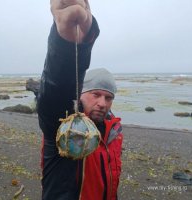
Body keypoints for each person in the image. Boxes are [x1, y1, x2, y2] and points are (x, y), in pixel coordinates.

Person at [37, 0, 123, 199]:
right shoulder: (62, 125)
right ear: (81, 93)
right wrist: (68, 44)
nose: (102, 103)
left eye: (108, 97)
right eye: (96, 94)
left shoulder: (114, 130)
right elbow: (56, 89)